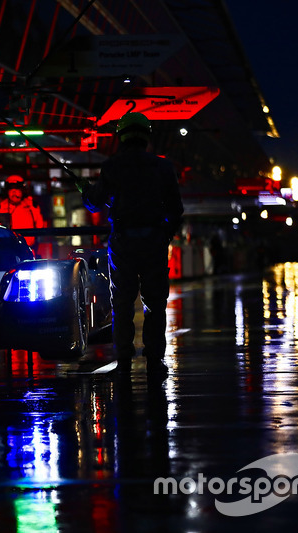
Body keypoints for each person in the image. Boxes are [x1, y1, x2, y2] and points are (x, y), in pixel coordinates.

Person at [79, 112, 183, 380]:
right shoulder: (163, 167)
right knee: (155, 303)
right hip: (154, 241)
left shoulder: (113, 166)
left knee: (123, 303)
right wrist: (164, 236)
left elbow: (95, 202)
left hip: (123, 242)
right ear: (146, 136)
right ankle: (155, 360)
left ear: (121, 136)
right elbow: (176, 209)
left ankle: (124, 359)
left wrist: (86, 191)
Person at [0, 175, 45, 248]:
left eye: (17, 189)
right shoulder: (0, 208)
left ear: (22, 190)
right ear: (7, 191)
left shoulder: (32, 205)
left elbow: (40, 227)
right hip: (8, 249)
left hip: (29, 249)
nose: (14, 192)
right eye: (11, 189)